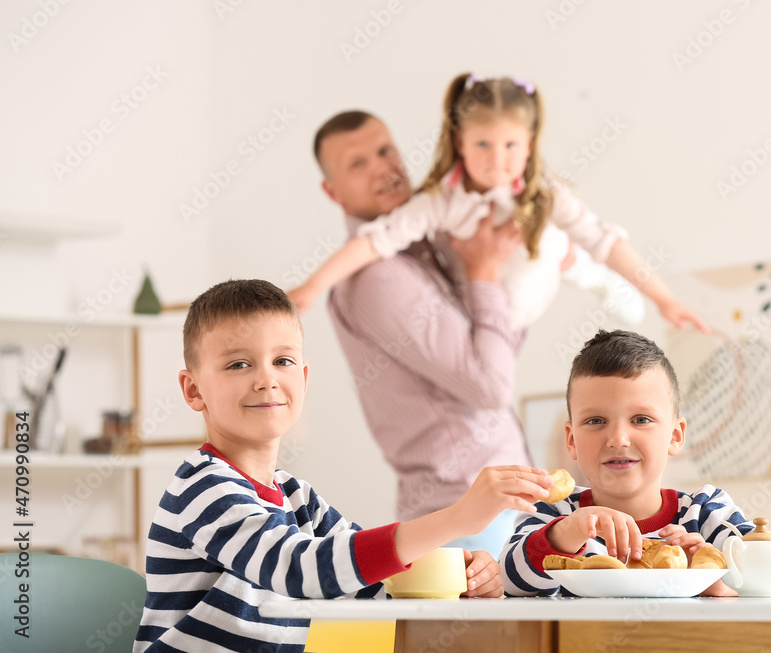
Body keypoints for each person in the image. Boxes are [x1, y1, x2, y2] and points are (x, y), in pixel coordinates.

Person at [133, 279, 553, 653]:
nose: (266, 379)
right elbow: (300, 569)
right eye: (238, 364)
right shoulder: (203, 488)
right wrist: (458, 519)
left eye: (283, 361)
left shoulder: (298, 499)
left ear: (304, 377)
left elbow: (369, 582)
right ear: (193, 390)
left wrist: (459, 577)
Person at [288, 73, 707, 333]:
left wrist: (663, 297)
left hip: (532, 284)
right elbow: (374, 241)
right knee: (546, 237)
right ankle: (573, 262)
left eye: (510, 145)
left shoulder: (541, 190)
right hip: (487, 313)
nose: (497, 159)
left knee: (555, 236)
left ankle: (593, 278)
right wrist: (312, 286)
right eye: (483, 145)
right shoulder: (443, 201)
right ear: (460, 143)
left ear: (529, 146)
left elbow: (607, 241)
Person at [291, 109, 533, 558]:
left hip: (488, 511)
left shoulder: (424, 249)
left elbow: (499, 352)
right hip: (467, 518)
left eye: (385, 150)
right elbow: (491, 385)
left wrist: (498, 271)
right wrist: (484, 273)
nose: (382, 167)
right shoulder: (379, 277)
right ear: (333, 191)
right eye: (357, 164)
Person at [500, 329, 771, 597]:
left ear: (675, 436)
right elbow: (510, 580)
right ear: (571, 440)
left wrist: (720, 577)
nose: (618, 438)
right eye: (596, 420)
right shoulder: (554, 513)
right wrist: (568, 532)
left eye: (641, 419)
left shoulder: (704, 512)